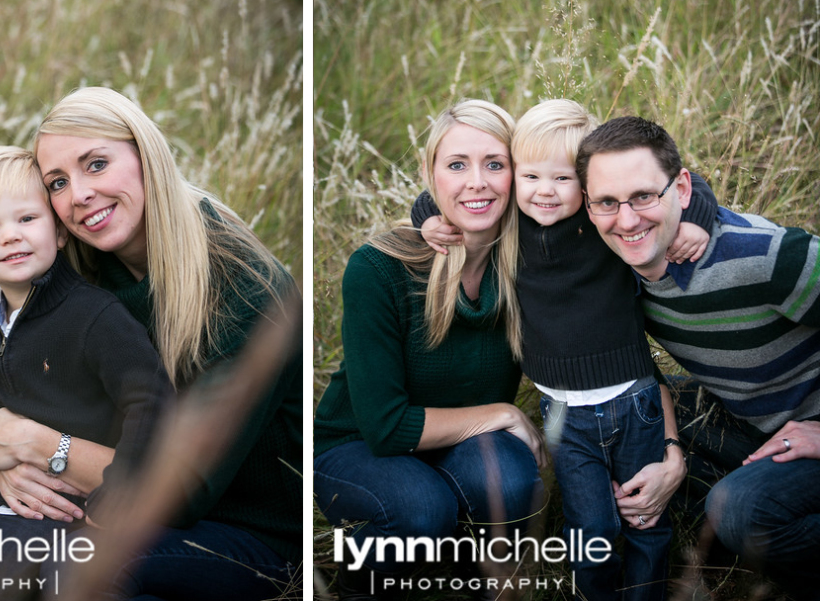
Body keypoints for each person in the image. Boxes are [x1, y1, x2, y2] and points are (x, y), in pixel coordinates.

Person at [0, 88, 302, 601]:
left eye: (96, 164)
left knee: (74, 567)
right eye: (58, 182)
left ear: (146, 156)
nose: (78, 194)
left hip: (247, 534)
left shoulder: (243, 286)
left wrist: (40, 447)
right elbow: (13, 388)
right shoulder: (82, 271)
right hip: (112, 505)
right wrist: (9, 466)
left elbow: (184, 488)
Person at [411, 100, 718, 601]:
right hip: (564, 418)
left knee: (644, 519)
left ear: (588, 185)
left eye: (563, 179)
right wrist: (427, 222)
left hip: (634, 403)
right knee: (590, 532)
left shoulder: (603, 225)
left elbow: (690, 183)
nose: (546, 193)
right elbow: (439, 199)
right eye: (531, 176)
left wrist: (694, 221)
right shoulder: (513, 225)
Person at [0, 146, 171, 601]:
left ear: (59, 232)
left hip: (65, 508)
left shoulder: (95, 317)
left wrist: (117, 493)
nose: (10, 237)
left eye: (26, 220)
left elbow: (150, 401)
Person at [575, 115, 820, 601]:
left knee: (737, 508)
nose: (626, 220)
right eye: (607, 202)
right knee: (615, 426)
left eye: (645, 196)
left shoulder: (767, 258)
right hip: (753, 424)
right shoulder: (617, 275)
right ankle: (735, 544)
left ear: (682, 188)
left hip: (811, 430)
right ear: (587, 205)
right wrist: (670, 457)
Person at [313, 99, 546, 601]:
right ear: (431, 175)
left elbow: (605, 181)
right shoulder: (378, 268)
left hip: (461, 441)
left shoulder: (533, 262)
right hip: (358, 444)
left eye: (495, 164)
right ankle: (361, 588)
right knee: (421, 509)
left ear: (517, 175)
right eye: (457, 165)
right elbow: (387, 427)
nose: (476, 182)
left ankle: (470, 582)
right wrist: (503, 412)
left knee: (509, 485)